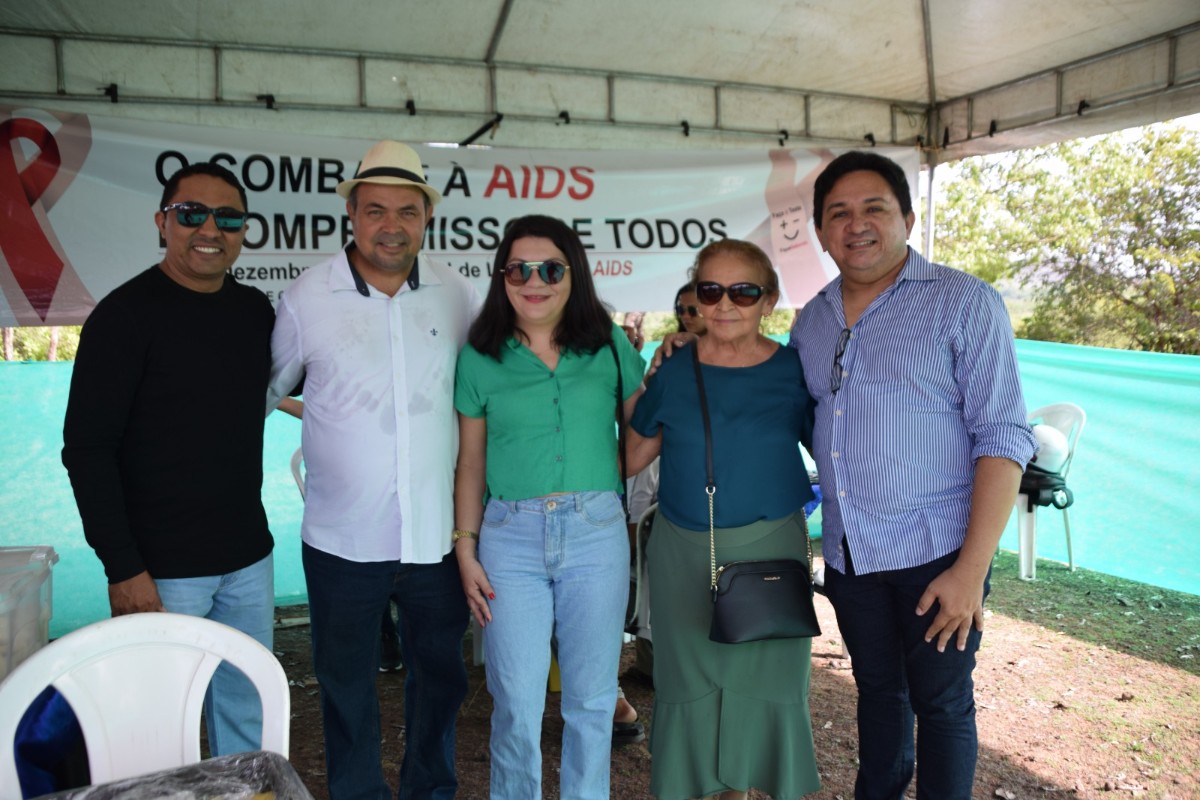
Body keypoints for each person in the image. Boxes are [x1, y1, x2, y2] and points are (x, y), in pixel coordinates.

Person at [789, 150, 1037, 799]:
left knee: (943, 704)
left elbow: (1004, 436)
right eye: (838, 212)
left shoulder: (964, 302)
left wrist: (969, 572)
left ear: (908, 216)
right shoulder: (810, 321)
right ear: (820, 230)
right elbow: (793, 411)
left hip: (939, 553)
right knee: (877, 692)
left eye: (874, 207)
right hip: (850, 553)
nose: (856, 223)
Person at [266, 140, 481, 800]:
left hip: (437, 538)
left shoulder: (457, 295)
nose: (393, 225)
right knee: (345, 683)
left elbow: (482, 395)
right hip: (341, 539)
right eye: (377, 210)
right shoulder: (308, 297)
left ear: (427, 218)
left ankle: (429, 791)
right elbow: (271, 387)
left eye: (408, 211)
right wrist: (330, 418)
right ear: (351, 216)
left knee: (440, 677)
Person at [61, 162, 275, 756]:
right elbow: (86, 450)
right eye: (192, 214)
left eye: (228, 216)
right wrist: (122, 567)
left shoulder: (256, 311)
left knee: (246, 714)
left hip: (248, 560)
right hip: (160, 572)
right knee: (159, 729)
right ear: (163, 222)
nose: (211, 227)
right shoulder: (123, 317)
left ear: (243, 231)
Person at [452, 214, 646, 800]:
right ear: (502, 276)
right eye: (519, 268)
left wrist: (597, 484)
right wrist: (465, 547)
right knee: (515, 701)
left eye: (550, 268)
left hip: (596, 532)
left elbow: (642, 433)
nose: (533, 280)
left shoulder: (609, 343)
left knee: (591, 700)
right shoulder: (480, 354)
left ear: (573, 273)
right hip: (508, 537)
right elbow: (471, 463)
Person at [626, 239, 821, 800]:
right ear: (696, 298)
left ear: (769, 299)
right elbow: (633, 457)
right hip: (685, 549)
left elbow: (836, 448)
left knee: (765, 680)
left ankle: (742, 788)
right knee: (690, 684)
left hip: (771, 550)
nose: (726, 303)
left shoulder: (792, 370)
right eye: (711, 290)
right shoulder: (674, 370)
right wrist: (633, 376)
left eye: (743, 290)